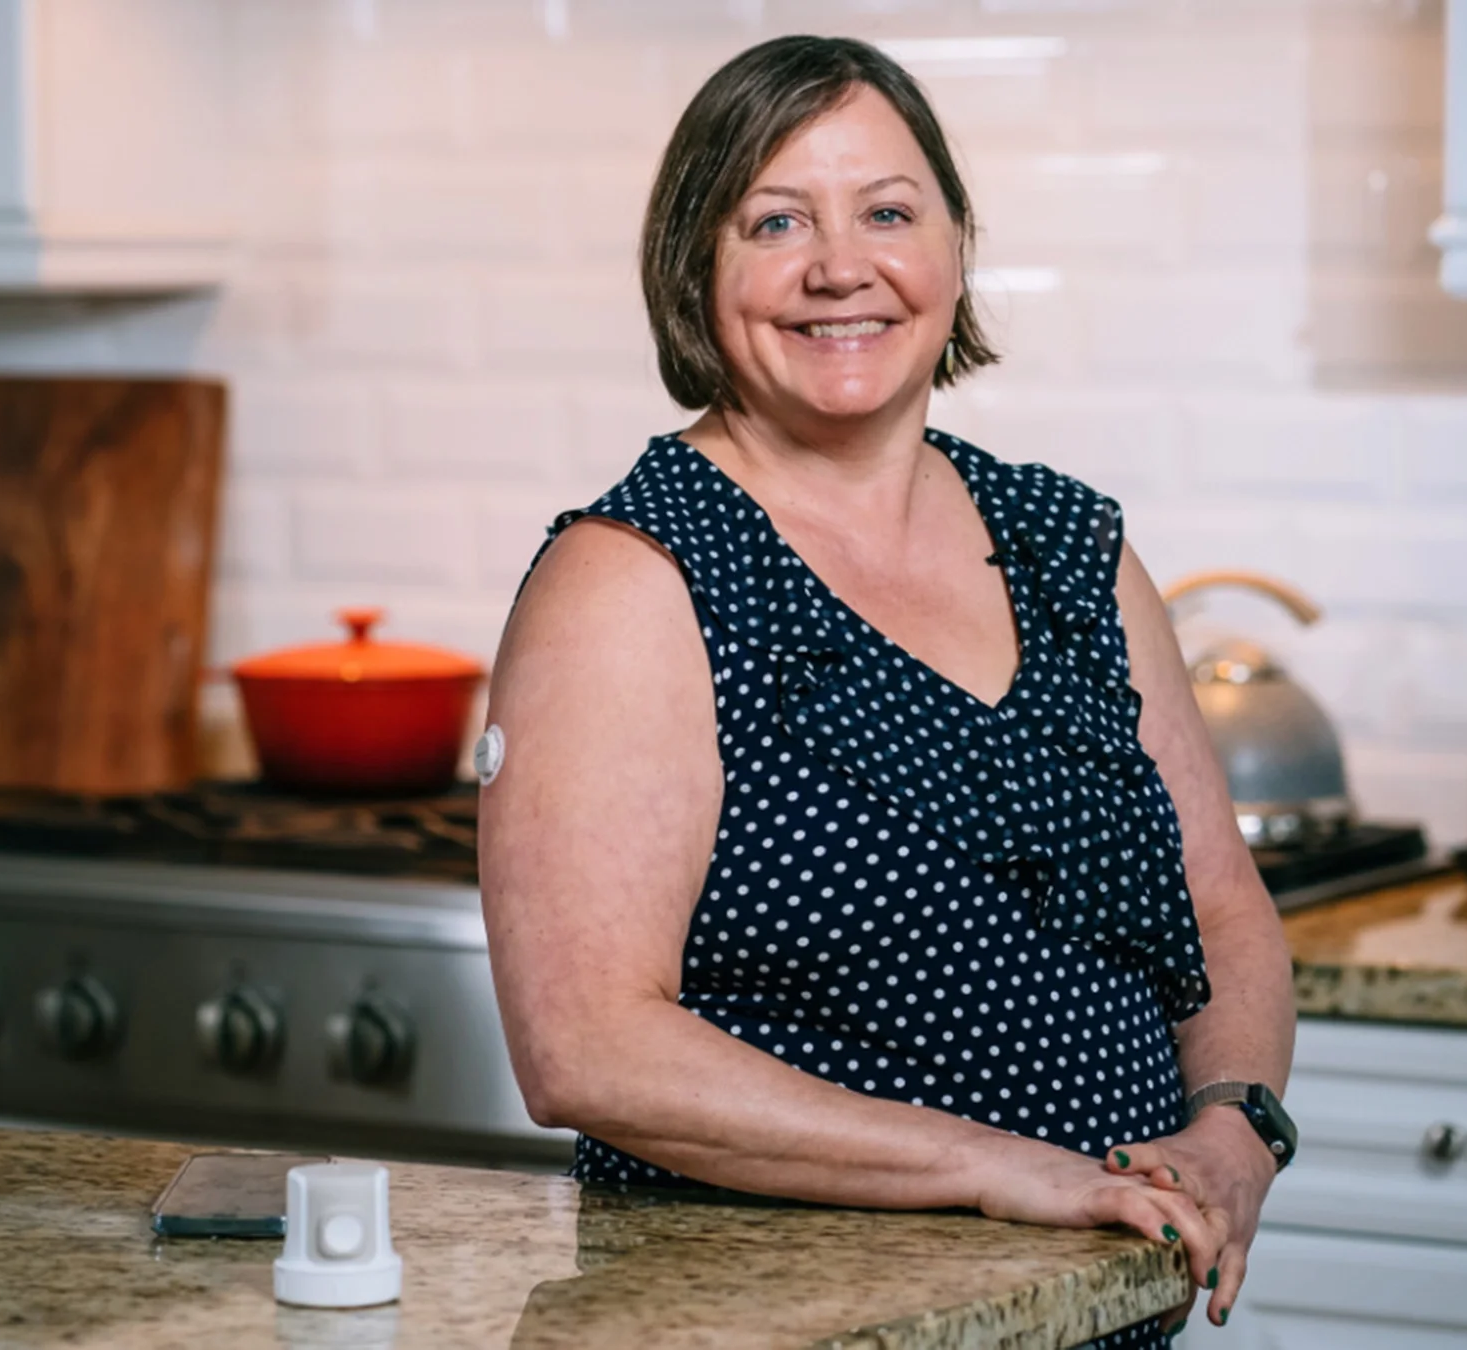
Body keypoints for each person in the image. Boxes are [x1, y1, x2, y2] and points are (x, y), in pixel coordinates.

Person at [480, 35, 1295, 1343]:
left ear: (958, 248)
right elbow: (586, 1047)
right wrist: (994, 1162)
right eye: (777, 220)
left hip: (1087, 1319)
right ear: (696, 266)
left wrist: (1235, 1123)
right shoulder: (632, 579)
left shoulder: (1071, 548)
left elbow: (1221, 908)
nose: (839, 266)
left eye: (888, 213)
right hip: (775, 1322)